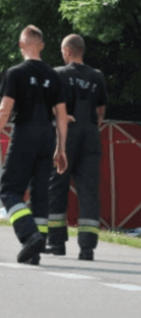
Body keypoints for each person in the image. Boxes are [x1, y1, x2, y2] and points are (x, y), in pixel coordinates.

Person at [0, 25, 68, 265]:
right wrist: (61, 148)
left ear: (21, 45)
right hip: (47, 136)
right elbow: (61, 115)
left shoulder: (15, 73)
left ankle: (29, 235)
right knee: (40, 193)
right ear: (41, 45)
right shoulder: (53, 75)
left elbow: (4, 110)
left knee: (9, 190)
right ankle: (36, 249)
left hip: (26, 132)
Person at [45, 34, 108, 261]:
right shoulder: (97, 76)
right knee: (89, 189)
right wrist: (90, 127)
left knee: (56, 186)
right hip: (90, 134)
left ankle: (57, 242)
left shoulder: (58, 74)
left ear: (68, 51)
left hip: (66, 133)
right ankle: (87, 248)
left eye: (63, 51)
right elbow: (101, 112)